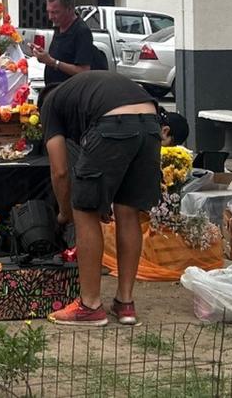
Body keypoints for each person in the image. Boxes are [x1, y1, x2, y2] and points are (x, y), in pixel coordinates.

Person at [41, 71, 161, 327]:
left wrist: (65, 212)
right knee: (127, 211)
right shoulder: (83, 91)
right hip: (151, 123)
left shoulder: (49, 105)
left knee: (84, 211)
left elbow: (60, 171)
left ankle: (90, 305)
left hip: (113, 123)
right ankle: (125, 303)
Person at [33, 0, 97, 102]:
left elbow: (83, 71)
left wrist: (53, 62)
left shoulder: (81, 31)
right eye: (49, 11)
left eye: (55, 12)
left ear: (70, 9)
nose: (50, 17)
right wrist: (43, 56)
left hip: (71, 97)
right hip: (53, 93)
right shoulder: (59, 27)